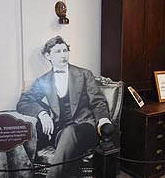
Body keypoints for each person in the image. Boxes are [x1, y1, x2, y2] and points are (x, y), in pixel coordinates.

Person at [16, 36, 111, 178]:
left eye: (65, 50)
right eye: (58, 52)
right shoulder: (43, 80)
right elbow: (24, 102)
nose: (63, 55)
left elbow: (98, 101)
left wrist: (103, 119)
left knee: (71, 131)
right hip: (60, 132)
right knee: (67, 134)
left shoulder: (84, 74)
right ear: (48, 56)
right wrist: (42, 114)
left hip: (86, 127)